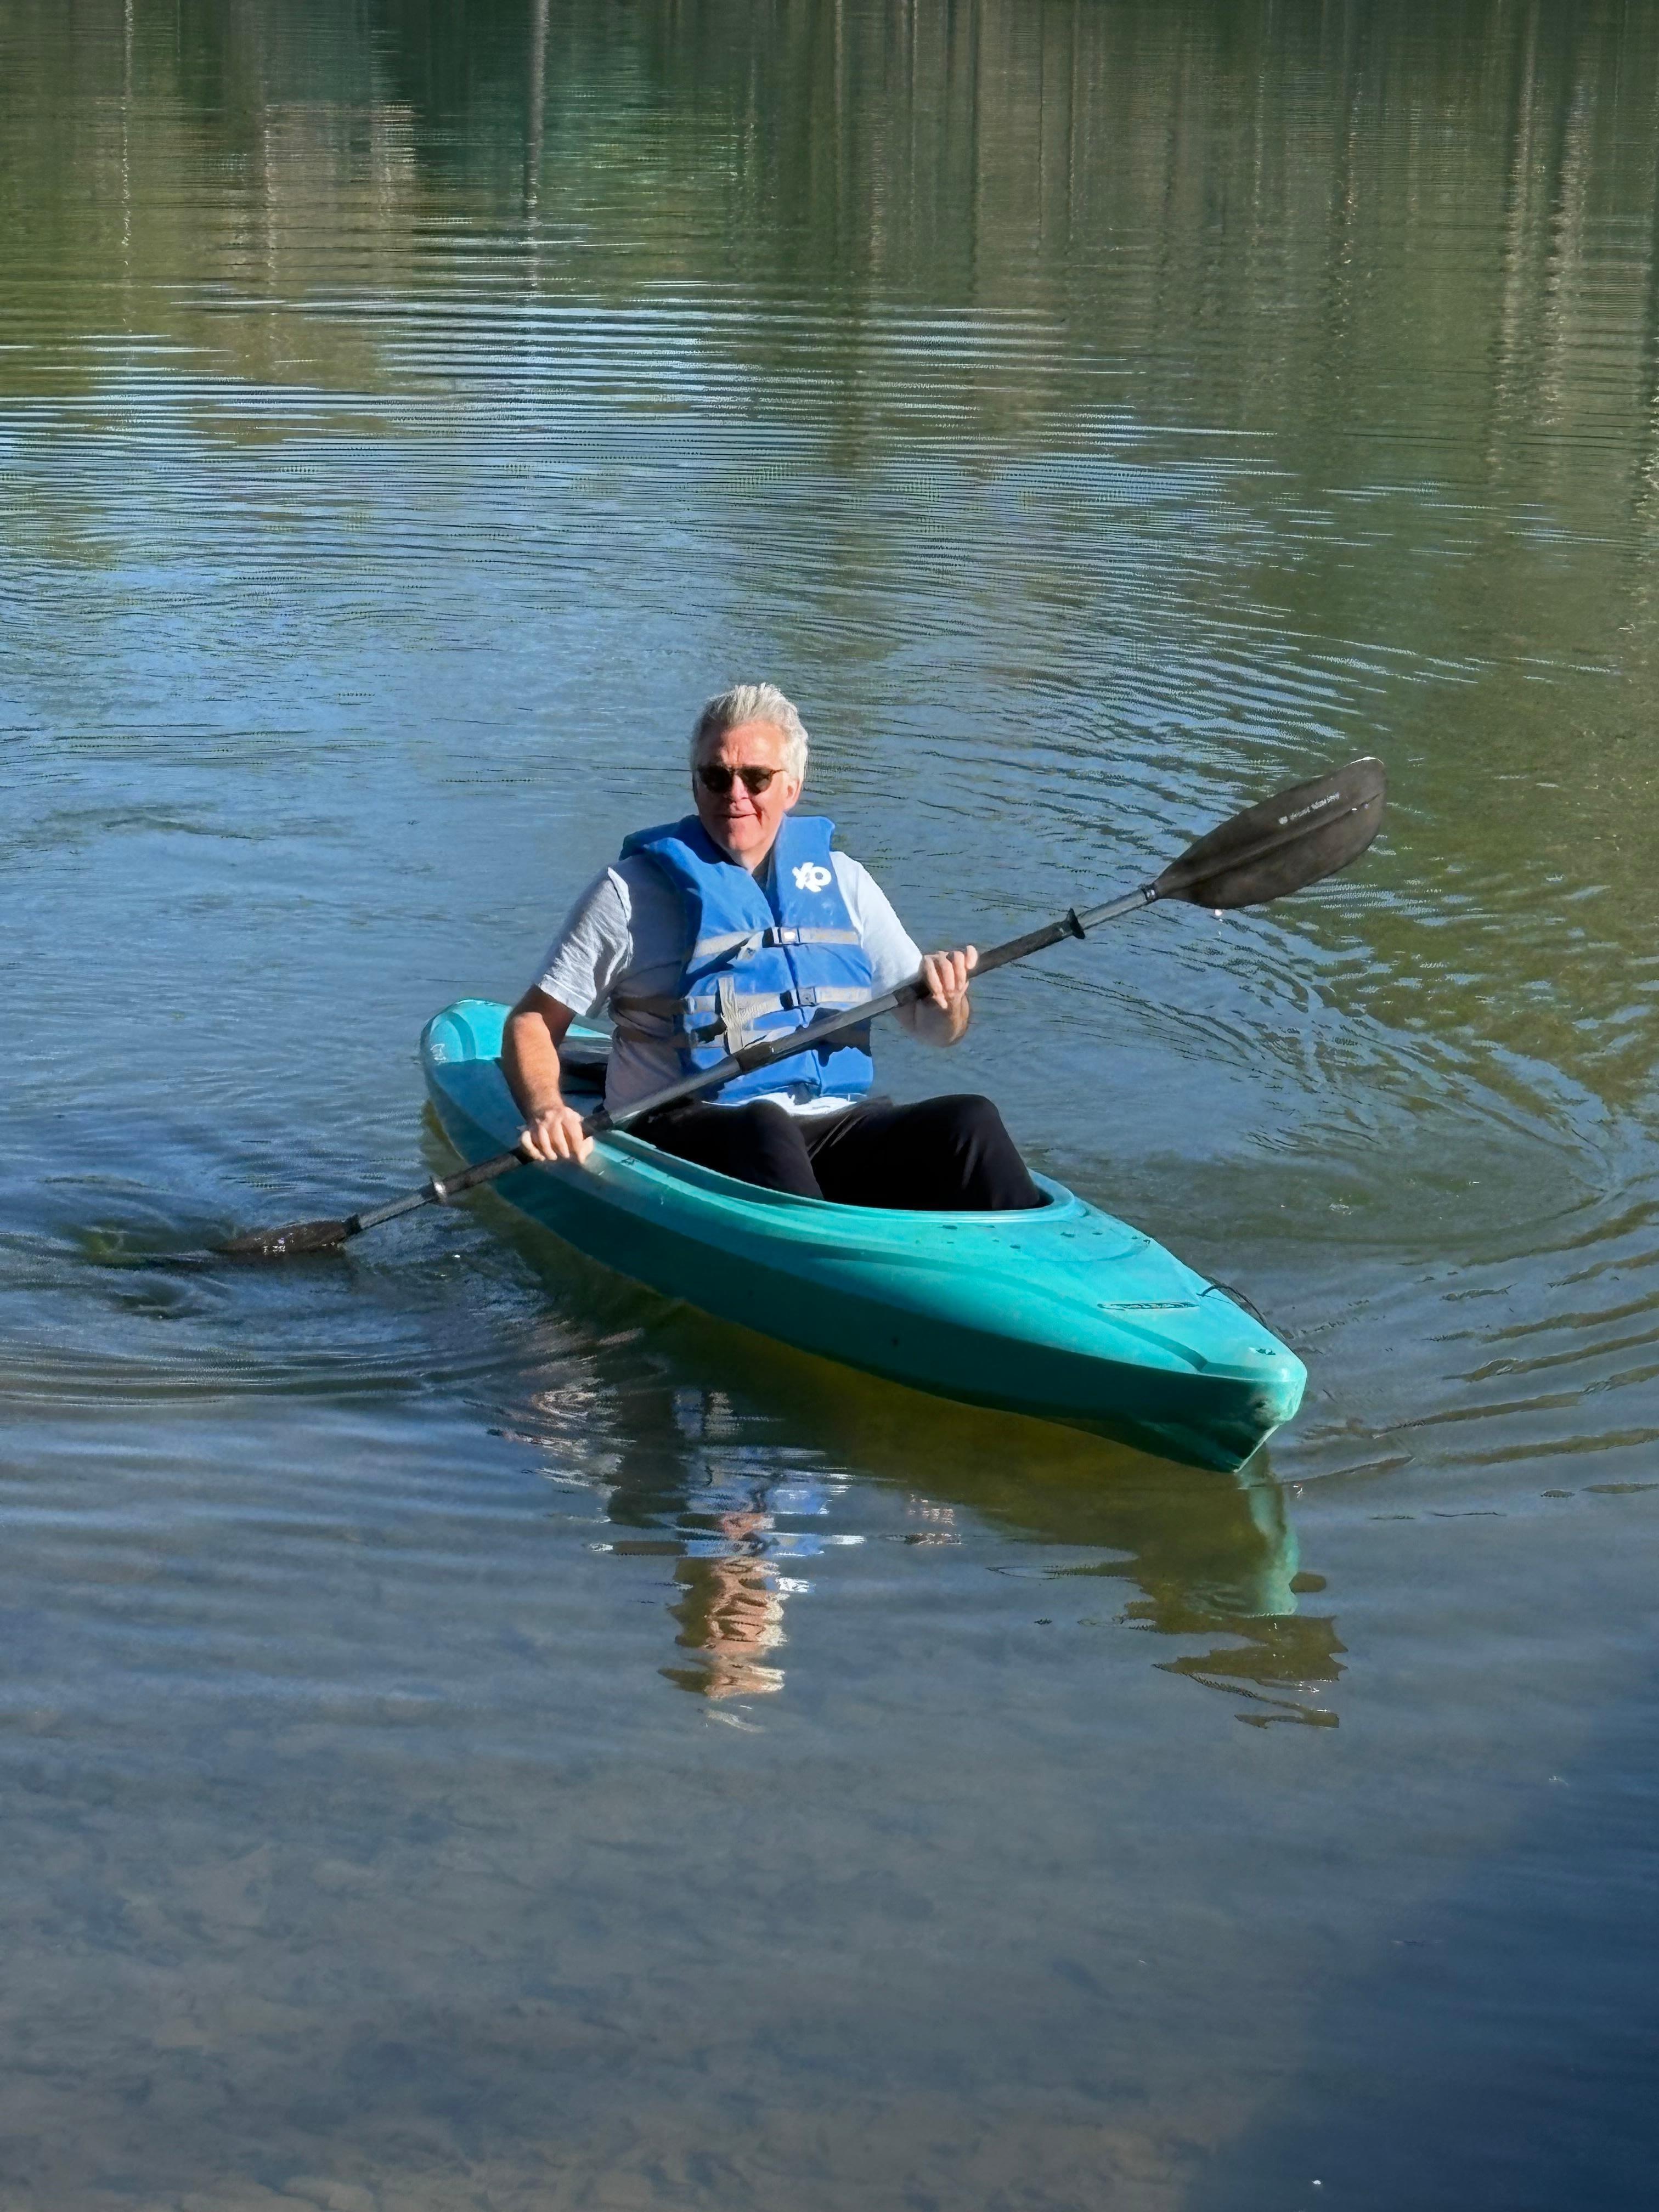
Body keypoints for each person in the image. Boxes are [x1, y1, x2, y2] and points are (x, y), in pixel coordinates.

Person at [501, 682, 1042, 1211]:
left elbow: (936, 1031)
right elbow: (531, 1022)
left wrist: (949, 1003)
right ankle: (825, 1279)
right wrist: (547, 1110)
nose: (735, 795)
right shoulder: (629, 893)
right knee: (766, 1126)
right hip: (681, 1124)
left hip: (830, 1123)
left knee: (969, 1121)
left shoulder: (843, 882)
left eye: (756, 777)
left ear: (792, 786)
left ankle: (1042, 1274)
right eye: (716, 777)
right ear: (695, 785)